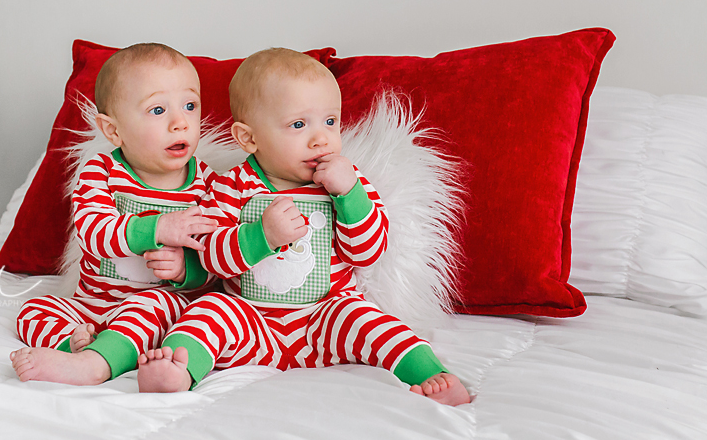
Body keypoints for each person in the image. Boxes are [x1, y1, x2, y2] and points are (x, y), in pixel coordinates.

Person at [136, 48, 470, 405]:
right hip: (251, 319)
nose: (320, 139)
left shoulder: (346, 181)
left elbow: (369, 252)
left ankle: (431, 373)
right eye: (299, 125)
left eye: (330, 122)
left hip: (325, 316)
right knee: (209, 311)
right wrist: (261, 237)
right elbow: (211, 257)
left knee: (371, 320)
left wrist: (349, 195)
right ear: (249, 138)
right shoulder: (232, 185)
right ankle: (177, 367)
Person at [10, 43, 218, 386]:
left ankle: (94, 366)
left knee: (156, 303)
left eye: (190, 105)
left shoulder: (208, 183)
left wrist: (186, 270)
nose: (181, 122)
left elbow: (217, 258)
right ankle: (75, 346)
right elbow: (92, 232)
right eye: (157, 110)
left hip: (155, 307)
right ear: (113, 130)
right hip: (91, 305)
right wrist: (159, 227)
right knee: (32, 310)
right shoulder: (100, 171)